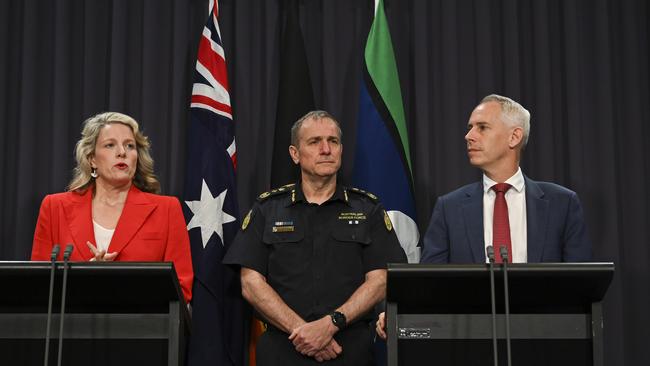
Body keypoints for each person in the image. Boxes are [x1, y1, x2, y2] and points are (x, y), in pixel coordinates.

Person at [376, 94, 592, 339]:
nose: (469, 136)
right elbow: (430, 284)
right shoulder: (449, 208)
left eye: (482, 127)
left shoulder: (562, 203)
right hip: (471, 341)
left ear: (514, 136)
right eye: (469, 128)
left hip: (544, 341)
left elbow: (580, 286)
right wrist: (400, 312)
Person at [223, 110, 406, 365]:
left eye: (333, 141)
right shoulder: (267, 208)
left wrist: (331, 324)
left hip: (348, 350)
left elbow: (381, 279)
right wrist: (305, 332)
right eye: (314, 141)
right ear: (295, 154)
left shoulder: (367, 209)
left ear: (341, 150)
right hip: (283, 348)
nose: (326, 149)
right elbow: (251, 283)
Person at [31, 112, 193, 302]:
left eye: (129, 145)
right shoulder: (55, 207)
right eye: (110, 145)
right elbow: (38, 285)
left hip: (141, 327)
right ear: (92, 159)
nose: (122, 152)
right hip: (70, 327)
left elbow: (181, 288)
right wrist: (84, 277)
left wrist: (116, 285)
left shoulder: (166, 209)